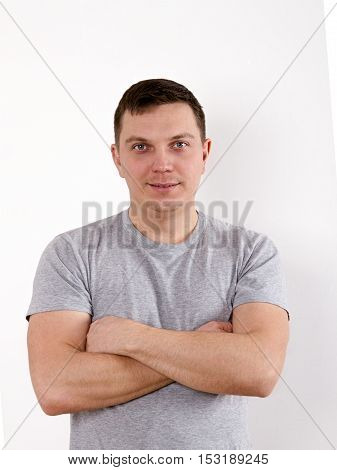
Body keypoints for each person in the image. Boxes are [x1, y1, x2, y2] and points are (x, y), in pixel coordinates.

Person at [26, 78, 290, 450]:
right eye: (141, 147)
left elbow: (259, 371)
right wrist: (202, 350)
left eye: (179, 145)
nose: (162, 164)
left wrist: (131, 339)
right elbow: (56, 387)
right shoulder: (71, 253)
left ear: (204, 152)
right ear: (118, 158)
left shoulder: (251, 252)